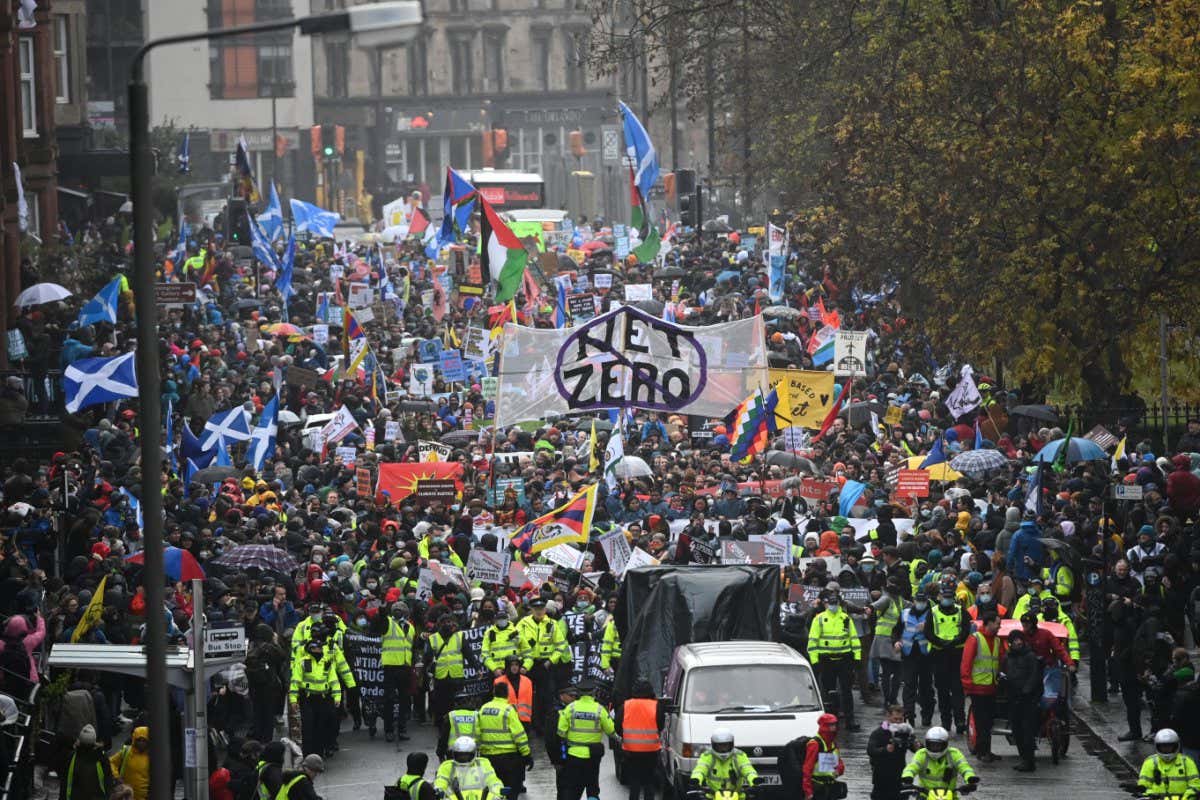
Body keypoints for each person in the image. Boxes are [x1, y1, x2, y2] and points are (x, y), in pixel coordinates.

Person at [807, 589, 861, 730]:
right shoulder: (819, 619)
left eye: (835, 603)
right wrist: (815, 661)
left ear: (839, 603)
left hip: (845, 659)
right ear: (826, 603)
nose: (833, 605)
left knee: (846, 691)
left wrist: (857, 658)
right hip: (826, 660)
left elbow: (854, 639)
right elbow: (812, 642)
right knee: (830, 692)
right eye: (830, 603)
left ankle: (850, 721)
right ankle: (832, 721)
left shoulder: (845, 619)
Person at [557, 680, 615, 800]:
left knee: (572, 788)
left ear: (578, 693)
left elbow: (561, 732)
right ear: (593, 692)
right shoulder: (599, 710)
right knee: (592, 788)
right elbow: (610, 730)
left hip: (573, 755)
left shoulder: (570, 709)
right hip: (593, 756)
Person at [519, 598, 571, 733]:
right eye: (536, 609)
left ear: (545, 610)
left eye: (541, 609)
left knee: (545, 696)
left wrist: (551, 661)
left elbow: (561, 645)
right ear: (531, 610)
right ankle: (529, 724)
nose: (539, 612)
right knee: (527, 695)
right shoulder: (523, 624)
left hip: (545, 665)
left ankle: (543, 725)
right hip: (529, 664)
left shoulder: (552, 624)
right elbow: (516, 642)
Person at [959, 612, 1004, 762]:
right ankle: (981, 751)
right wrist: (967, 685)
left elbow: (1001, 661)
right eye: (997, 623)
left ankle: (986, 751)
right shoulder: (975, 639)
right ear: (988, 623)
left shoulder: (997, 641)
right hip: (977, 688)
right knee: (981, 721)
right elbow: (966, 663)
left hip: (991, 687)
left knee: (988, 721)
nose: (999, 626)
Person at [926, 585, 970, 734]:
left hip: (957, 653)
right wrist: (941, 642)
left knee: (957, 689)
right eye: (944, 597)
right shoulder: (933, 612)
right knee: (942, 690)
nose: (947, 600)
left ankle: (960, 720)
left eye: (950, 597)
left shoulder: (961, 611)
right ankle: (946, 721)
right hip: (939, 655)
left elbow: (966, 629)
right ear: (940, 597)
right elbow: (928, 632)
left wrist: (955, 641)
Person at [476, 682, 532, 797]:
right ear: (507, 694)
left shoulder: (483, 709)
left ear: (493, 693)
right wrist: (527, 755)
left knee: (492, 791)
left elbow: (477, 732)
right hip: (508, 759)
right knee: (510, 791)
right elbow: (519, 735)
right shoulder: (508, 710)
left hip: (488, 758)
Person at [289, 639, 341, 758]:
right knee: (308, 727)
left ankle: (319, 755)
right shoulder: (303, 662)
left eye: (321, 648)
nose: (320, 650)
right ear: (311, 649)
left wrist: (337, 697)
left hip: (323, 699)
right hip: (307, 699)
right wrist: (293, 699)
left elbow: (334, 681)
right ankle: (308, 756)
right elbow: (295, 682)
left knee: (321, 728)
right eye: (318, 648)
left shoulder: (327, 663)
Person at [615, 679, 664, 800]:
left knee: (634, 783)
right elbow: (661, 726)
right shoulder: (656, 706)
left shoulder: (625, 705)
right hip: (651, 751)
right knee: (649, 782)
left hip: (631, 751)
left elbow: (617, 727)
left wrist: (627, 737)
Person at [1004, 630, 1042, 772]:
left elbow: (1034, 676)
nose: (1018, 642)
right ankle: (1023, 758)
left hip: (1028, 699)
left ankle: (1029, 760)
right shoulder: (1007, 658)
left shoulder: (1030, 656)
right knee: (1017, 730)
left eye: (1020, 639)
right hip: (1013, 698)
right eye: (1015, 640)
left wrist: (1026, 691)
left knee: (1027, 730)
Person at [380, 601, 417, 743]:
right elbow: (380, 623)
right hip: (390, 667)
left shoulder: (411, 627)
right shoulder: (387, 623)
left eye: (401, 610)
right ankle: (389, 730)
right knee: (389, 700)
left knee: (405, 700)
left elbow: (411, 647)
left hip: (405, 668)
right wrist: (383, 612)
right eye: (395, 609)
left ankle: (402, 729)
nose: (398, 612)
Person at [897, 590, 935, 726]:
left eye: (923, 602)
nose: (920, 604)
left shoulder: (933, 614)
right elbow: (897, 631)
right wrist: (896, 641)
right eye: (918, 601)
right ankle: (909, 716)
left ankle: (926, 715)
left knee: (926, 687)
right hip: (909, 654)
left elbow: (937, 633)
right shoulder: (905, 613)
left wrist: (927, 628)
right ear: (914, 601)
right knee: (909, 686)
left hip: (926, 656)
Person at [901, 727, 978, 792]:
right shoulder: (921, 754)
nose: (935, 748)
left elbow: (964, 767)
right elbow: (912, 767)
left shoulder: (954, 754)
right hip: (925, 795)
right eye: (932, 745)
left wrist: (970, 778)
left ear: (945, 744)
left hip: (949, 795)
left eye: (938, 745)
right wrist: (907, 776)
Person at [689, 728, 758, 797]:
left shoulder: (739, 755)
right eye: (720, 746)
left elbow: (748, 770)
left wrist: (754, 780)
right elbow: (700, 769)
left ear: (731, 744)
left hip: (737, 796)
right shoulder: (707, 756)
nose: (723, 749)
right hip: (712, 796)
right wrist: (696, 779)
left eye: (726, 745)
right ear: (714, 745)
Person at [866, 706, 915, 800]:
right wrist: (885, 750)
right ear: (888, 717)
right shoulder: (879, 732)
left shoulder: (905, 731)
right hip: (881, 778)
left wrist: (917, 746)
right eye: (895, 719)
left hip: (899, 777)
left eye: (901, 719)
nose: (898, 722)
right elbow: (870, 750)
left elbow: (919, 749)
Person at [434, 737, 504, 800]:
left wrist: (498, 794)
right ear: (454, 754)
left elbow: (493, 781)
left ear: (474, 753)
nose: (463, 758)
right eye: (460, 755)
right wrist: (439, 791)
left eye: (466, 755)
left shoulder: (483, 763)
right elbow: (440, 782)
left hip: (482, 798)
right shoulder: (447, 766)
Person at [1138, 729, 1200, 798]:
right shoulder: (1149, 762)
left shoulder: (1187, 762)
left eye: (1169, 746)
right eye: (1163, 746)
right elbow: (1144, 786)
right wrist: (1153, 796)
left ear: (1176, 746)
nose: (1166, 749)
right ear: (1157, 746)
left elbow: (1195, 785)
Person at [60, 725, 116, 800]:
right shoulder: (101, 758)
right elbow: (108, 782)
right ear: (94, 741)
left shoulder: (71, 757)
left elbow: (64, 783)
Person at [800, 713, 844, 800]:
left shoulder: (833, 743)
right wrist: (808, 791)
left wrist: (839, 770)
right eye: (831, 725)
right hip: (817, 787)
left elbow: (840, 763)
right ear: (824, 726)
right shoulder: (814, 744)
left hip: (830, 787)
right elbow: (807, 768)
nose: (834, 727)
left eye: (835, 724)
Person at [110, 726, 151, 800]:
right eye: (139, 740)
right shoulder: (127, 751)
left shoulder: (152, 756)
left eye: (144, 740)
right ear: (134, 740)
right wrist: (116, 776)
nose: (141, 743)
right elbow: (111, 762)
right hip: (125, 795)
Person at [495, 654, 534, 727]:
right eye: (512, 665)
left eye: (516, 664)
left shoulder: (527, 681)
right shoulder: (499, 682)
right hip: (507, 720)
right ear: (507, 666)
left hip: (524, 720)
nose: (514, 667)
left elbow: (532, 701)